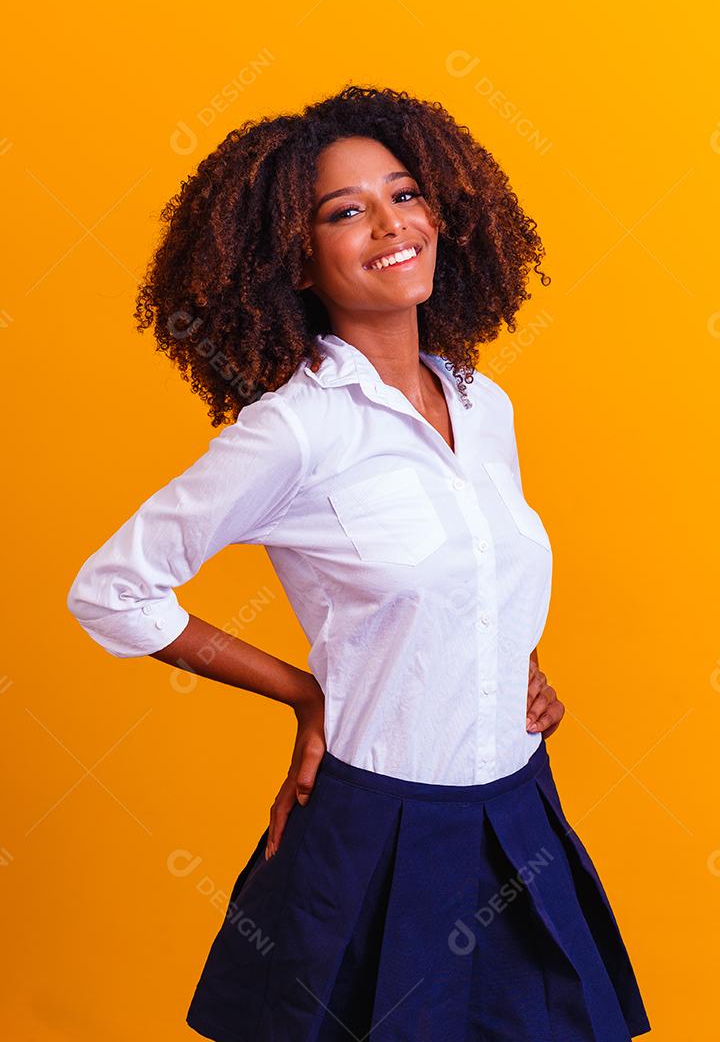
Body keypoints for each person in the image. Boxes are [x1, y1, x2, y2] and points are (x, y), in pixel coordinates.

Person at [66, 85, 651, 1040]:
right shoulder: (294, 431)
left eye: (405, 194)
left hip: (517, 815)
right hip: (375, 835)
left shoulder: (481, 402)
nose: (392, 225)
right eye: (346, 212)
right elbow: (112, 591)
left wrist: (517, 665)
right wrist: (303, 693)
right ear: (295, 258)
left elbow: (473, 571)